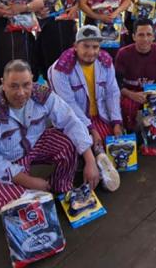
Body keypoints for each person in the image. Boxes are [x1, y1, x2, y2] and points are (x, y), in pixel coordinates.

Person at [0, 60, 100, 210]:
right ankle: (19, 193)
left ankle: (59, 187)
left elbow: (70, 120)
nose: (21, 93)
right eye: (13, 86)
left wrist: (90, 160)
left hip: (37, 144)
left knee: (67, 144)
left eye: (26, 84)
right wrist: (29, 181)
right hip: (9, 159)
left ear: (32, 80)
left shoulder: (42, 94)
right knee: (15, 206)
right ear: (3, 84)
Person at [48, 25, 122, 191]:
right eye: (86, 46)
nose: (91, 52)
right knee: (81, 142)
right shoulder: (59, 69)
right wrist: (90, 128)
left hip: (100, 115)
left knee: (115, 138)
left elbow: (112, 92)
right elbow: (68, 106)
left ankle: (99, 160)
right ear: (75, 46)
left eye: (95, 47)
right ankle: (99, 161)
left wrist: (117, 121)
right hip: (74, 119)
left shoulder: (106, 61)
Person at [28, 0, 78, 78]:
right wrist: (37, 10)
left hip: (67, 28)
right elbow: (26, 5)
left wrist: (75, 8)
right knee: (50, 64)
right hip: (46, 29)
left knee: (70, 63)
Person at [114, 18, 156, 130]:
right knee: (127, 106)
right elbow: (116, 83)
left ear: (153, 36)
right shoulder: (123, 53)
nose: (145, 39)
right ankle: (129, 130)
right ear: (133, 37)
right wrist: (131, 94)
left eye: (148, 34)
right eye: (141, 35)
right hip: (130, 93)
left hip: (151, 91)